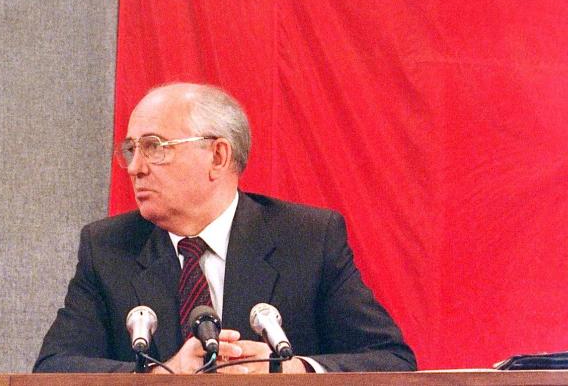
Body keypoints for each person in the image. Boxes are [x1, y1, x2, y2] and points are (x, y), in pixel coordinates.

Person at [34, 83, 415, 374]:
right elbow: (54, 366)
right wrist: (161, 374)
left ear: (218, 156)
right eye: (132, 149)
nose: (135, 167)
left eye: (155, 147)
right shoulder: (109, 248)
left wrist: (292, 369)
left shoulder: (307, 239)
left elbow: (391, 361)